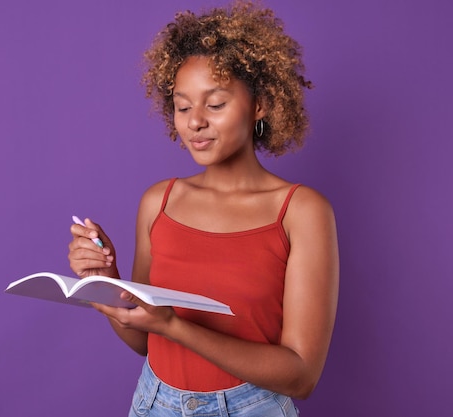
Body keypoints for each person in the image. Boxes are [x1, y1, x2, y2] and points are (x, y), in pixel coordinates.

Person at [68, 1, 339, 416]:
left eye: (215, 105)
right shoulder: (159, 201)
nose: (195, 122)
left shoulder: (301, 211)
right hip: (153, 402)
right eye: (182, 106)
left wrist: (175, 326)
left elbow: (301, 375)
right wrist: (107, 281)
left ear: (260, 104)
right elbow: (145, 339)